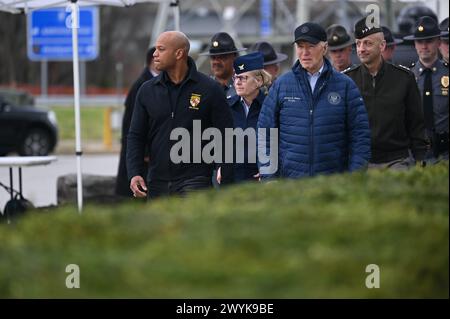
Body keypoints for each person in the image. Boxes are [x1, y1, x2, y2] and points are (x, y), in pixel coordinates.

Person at [127, 31, 234, 199]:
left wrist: (224, 169)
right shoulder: (146, 91)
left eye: (161, 49)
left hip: (196, 181)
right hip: (156, 182)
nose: (155, 54)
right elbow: (135, 136)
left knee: (192, 226)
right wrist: (134, 172)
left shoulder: (210, 89)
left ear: (179, 53)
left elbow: (227, 134)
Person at [257, 22, 371, 179]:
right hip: (290, 187)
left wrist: (353, 178)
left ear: (324, 48)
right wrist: (270, 178)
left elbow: (360, 137)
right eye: (300, 46)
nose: (304, 52)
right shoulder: (281, 85)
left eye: (310, 46)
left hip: (333, 186)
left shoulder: (345, 86)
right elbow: (265, 134)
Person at [344, 16, 427, 170]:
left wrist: (420, 158)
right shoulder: (347, 80)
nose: (361, 49)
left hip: (397, 160)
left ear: (382, 46)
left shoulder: (404, 78)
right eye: (358, 44)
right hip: (359, 161)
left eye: (368, 43)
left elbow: (416, 123)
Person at [217, 52, 271, 184]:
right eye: (236, 78)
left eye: (243, 78)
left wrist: (269, 169)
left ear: (258, 81)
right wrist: (219, 166)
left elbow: (278, 140)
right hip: (231, 177)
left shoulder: (269, 106)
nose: (237, 82)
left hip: (258, 178)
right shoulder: (227, 105)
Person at [115, 47, 159, 197]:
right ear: (152, 61)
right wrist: (145, 151)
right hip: (142, 154)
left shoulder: (153, 82)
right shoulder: (143, 85)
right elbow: (134, 125)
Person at [406, 16, 449, 161]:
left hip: (445, 154)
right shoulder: (406, 77)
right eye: (420, 41)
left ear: (438, 41)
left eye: (429, 41)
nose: (424, 46)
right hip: (416, 155)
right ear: (414, 44)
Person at [199, 32, 246, 98]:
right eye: (213, 57)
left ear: (234, 57)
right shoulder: (203, 88)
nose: (216, 62)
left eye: (222, 57)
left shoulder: (245, 88)